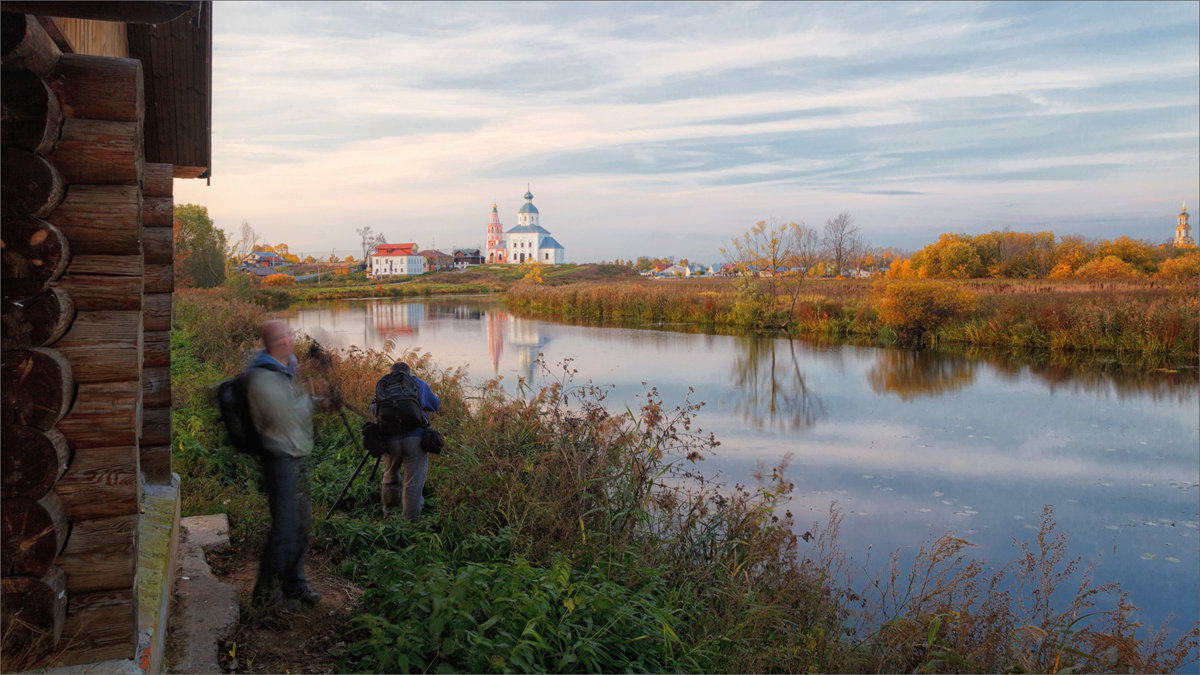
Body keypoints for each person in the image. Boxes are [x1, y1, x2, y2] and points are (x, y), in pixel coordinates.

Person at [246, 320, 322, 610]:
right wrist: (311, 401)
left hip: (298, 456)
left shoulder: (288, 369)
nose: (289, 339)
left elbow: (297, 409)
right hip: (279, 459)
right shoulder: (262, 377)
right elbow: (285, 418)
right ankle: (265, 598)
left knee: (302, 526)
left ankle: (295, 585)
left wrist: (319, 400)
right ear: (273, 342)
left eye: (289, 334)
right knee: (284, 529)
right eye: (283, 336)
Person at [372, 361, 440, 520]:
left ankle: (388, 516)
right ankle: (410, 524)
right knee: (413, 483)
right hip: (415, 439)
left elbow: (374, 410)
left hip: (390, 440)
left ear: (391, 373)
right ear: (409, 373)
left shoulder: (384, 385)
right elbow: (435, 405)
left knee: (390, 476)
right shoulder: (418, 383)